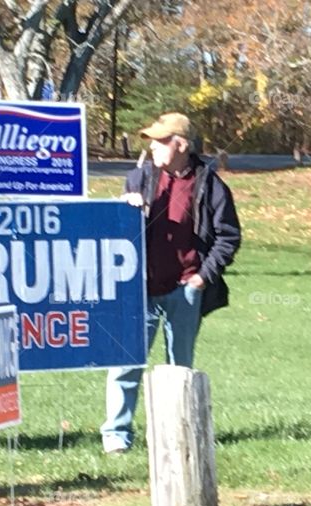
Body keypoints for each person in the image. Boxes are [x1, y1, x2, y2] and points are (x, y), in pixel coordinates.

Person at [100, 112, 241, 454]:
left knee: (180, 371)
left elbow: (228, 237)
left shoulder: (210, 185)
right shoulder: (140, 178)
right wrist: (127, 208)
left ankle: (177, 437)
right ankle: (117, 437)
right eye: (152, 139)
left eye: (161, 140)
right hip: (141, 290)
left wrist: (201, 278)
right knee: (125, 364)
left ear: (181, 144)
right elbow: (118, 233)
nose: (153, 146)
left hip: (185, 290)